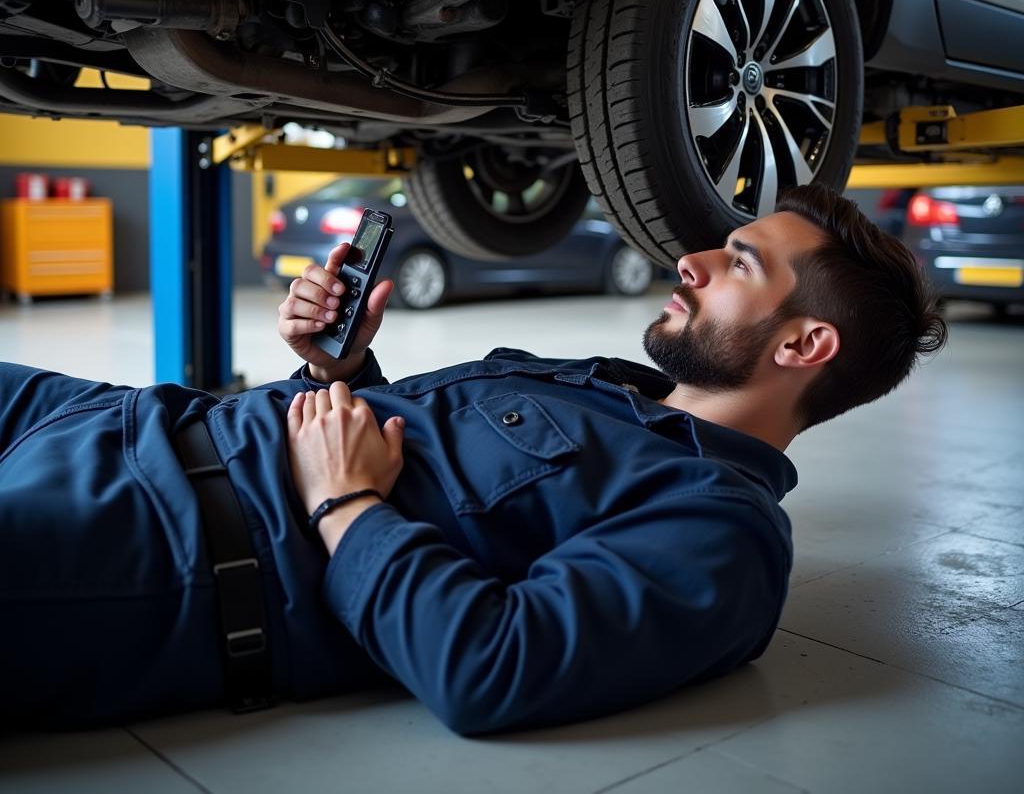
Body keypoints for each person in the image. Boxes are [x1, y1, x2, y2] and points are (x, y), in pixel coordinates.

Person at [0, 184, 946, 734]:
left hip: (153, 541)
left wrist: (345, 507)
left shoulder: (721, 532)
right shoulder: (613, 383)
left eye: (741, 264)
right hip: (119, 419)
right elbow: (442, 465)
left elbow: (494, 666)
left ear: (803, 347)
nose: (692, 261)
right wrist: (343, 370)